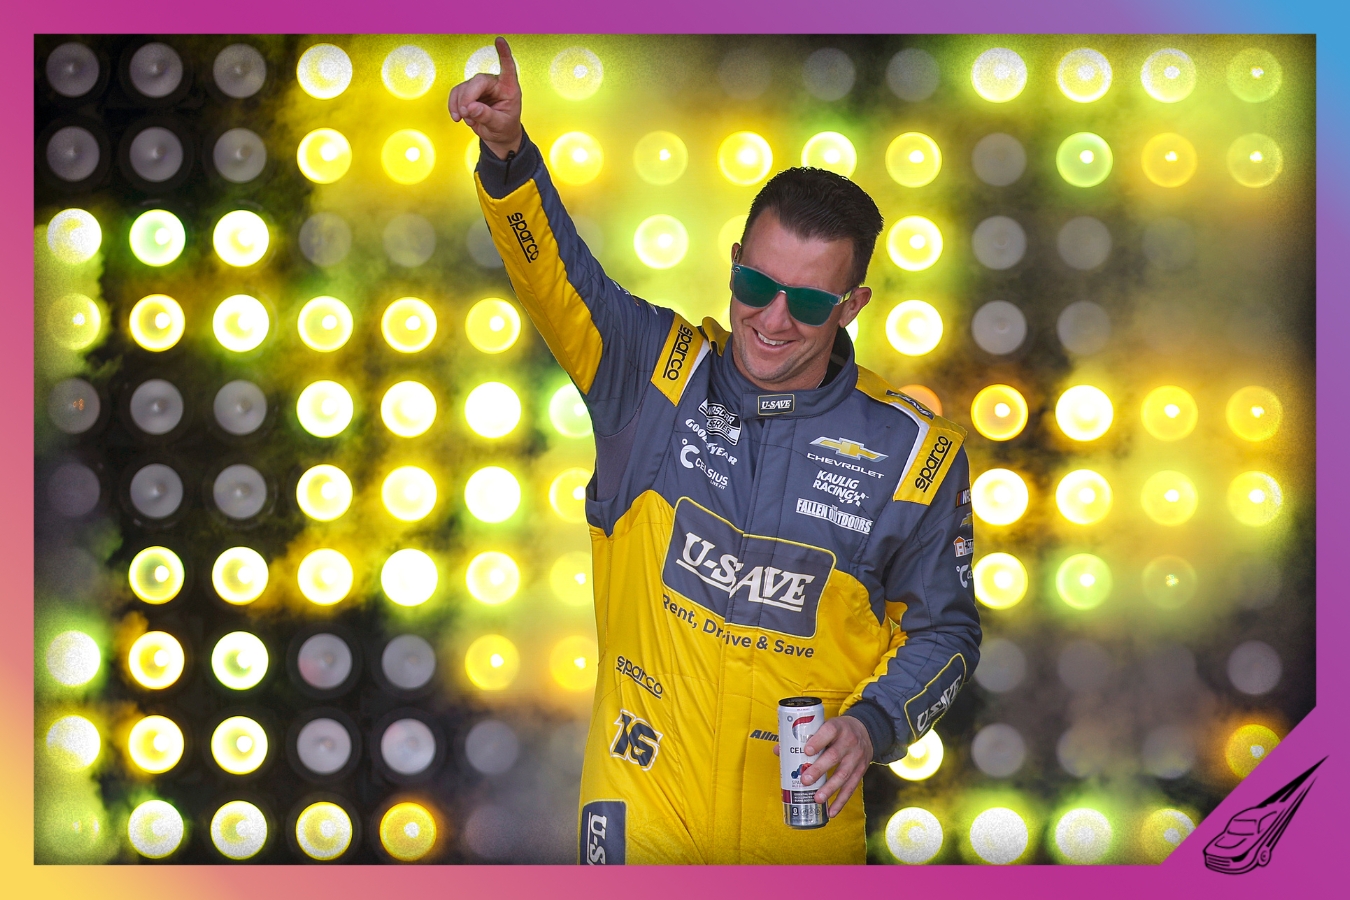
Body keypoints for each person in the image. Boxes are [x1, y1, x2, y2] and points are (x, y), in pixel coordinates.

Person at [449, 37, 981, 865]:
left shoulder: (913, 452)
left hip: (797, 843)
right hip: (637, 824)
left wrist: (872, 728)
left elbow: (945, 634)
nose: (772, 318)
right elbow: (555, 274)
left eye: (807, 301)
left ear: (852, 305)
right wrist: (509, 156)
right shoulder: (654, 374)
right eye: (755, 286)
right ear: (733, 263)